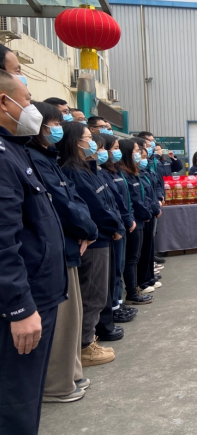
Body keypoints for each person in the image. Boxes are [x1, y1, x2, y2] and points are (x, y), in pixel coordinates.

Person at [0, 72, 67, 434]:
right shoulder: (3, 157)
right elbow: (3, 239)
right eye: (26, 100)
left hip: (38, 291)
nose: (32, 109)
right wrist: (19, 306)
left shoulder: (15, 149)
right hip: (23, 301)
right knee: (16, 400)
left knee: (27, 395)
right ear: (4, 102)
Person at [26, 103, 99, 404]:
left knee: (73, 316)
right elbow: (63, 204)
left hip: (68, 244)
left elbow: (75, 200)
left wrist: (88, 228)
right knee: (63, 320)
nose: (58, 128)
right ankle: (58, 383)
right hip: (57, 248)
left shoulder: (48, 158)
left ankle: (71, 373)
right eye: (55, 123)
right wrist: (89, 229)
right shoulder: (34, 159)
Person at [57, 122, 124, 366]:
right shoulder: (73, 171)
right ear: (75, 142)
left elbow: (107, 202)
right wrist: (111, 226)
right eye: (88, 138)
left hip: (102, 235)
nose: (94, 144)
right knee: (92, 294)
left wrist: (116, 225)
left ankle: (88, 339)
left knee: (98, 292)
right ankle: (85, 346)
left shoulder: (88, 169)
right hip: (94, 240)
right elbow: (94, 208)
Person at [100, 134, 139, 322]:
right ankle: (114, 306)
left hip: (123, 224)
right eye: (113, 148)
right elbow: (112, 202)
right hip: (114, 227)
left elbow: (124, 200)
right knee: (115, 269)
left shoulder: (115, 172)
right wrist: (123, 221)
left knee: (120, 265)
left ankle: (118, 302)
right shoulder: (104, 174)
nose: (116, 152)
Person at [116, 139, 154, 306]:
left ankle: (135, 288)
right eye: (136, 152)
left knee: (135, 257)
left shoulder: (133, 173)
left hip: (138, 219)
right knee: (131, 258)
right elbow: (133, 200)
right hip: (133, 221)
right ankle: (132, 292)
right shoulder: (123, 175)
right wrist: (144, 214)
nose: (138, 155)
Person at [133, 137, 162, 291]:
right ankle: (140, 283)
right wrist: (150, 211)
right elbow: (137, 199)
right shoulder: (133, 175)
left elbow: (153, 189)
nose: (143, 159)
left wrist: (156, 205)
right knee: (138, 254)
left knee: (147, 247)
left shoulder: (145, 171)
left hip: (149, 213)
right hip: (140, 217)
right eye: (140, 154)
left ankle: (148, 278)